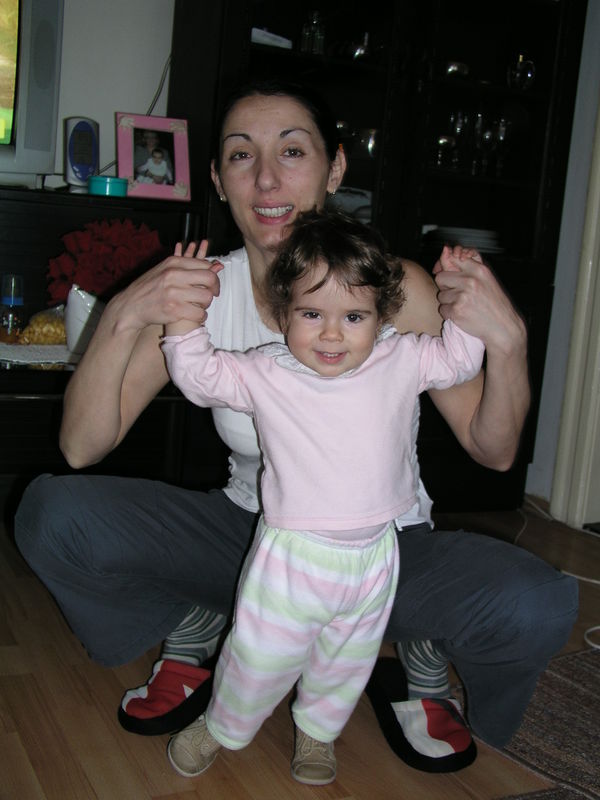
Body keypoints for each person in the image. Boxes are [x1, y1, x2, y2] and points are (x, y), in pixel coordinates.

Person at [13, 79, 577, 776]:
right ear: (218, 178)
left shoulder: (393, 288)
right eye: (241, 155)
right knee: (53, 514)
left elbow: (493, 451)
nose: (267, 179)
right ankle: (197, 620)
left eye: (292, 151)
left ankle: (410, 646)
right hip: (252, 536)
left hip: (383, 549)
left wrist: (509, 343)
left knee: (537, 602)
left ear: (335, 168)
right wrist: (128, 312)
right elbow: (81, 446)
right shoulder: (201, 292)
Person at [161, 208, 485, 783]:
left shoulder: (402, 357)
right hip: (293, 556)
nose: (332, 334)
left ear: (381, 316)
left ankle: (318, 732)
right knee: (258, 656)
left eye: (354, 316)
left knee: (347, 660)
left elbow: (461, 359)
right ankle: (221, 724)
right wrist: (185, 316)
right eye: (312, 314)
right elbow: (199, 377)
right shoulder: (266, 371)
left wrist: (461, 301)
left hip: (375, 553)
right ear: (283, 312)